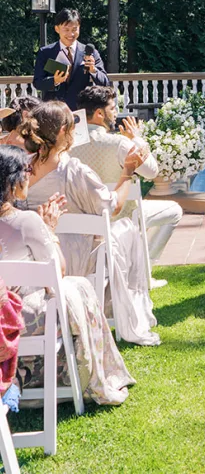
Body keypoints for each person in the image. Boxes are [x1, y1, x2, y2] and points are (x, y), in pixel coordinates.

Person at [0, 145, 134, 404]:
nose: (29, 175)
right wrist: (49, 229)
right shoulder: (26, 221)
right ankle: (86, 376)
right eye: (26, 171)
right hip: (19, 321)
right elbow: (58, 271)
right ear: (12, 181)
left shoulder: (27, 220)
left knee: (76, 289)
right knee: (78, 288)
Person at [18, 102, 160, 345]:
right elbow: (112, 207)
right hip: (79, 259)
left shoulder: (21, 170)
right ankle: (126, 310)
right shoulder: (73, 170)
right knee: (128, 229)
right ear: (63, 132)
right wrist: (127, 171)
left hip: (37, 259)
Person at [73, 86, 183, 288]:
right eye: (113, 108)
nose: (116, 113)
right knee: (174, 211)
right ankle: (143, 274)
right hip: (120, 216)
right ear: (99, 113)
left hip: (82, 218)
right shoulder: (119, 144)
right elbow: (152, 172)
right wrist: (137, 139)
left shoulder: (69, 144)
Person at [33, 8, 110, 110]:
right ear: (57, 29)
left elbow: (105, 82)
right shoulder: (46, 52)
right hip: (54, 110)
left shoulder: (90, 52)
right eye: (66, 29)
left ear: (79, 28)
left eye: (74, 29)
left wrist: (93, 70)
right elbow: (37, 83)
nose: (71, 34)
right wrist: (54, 81)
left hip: (81, 109)